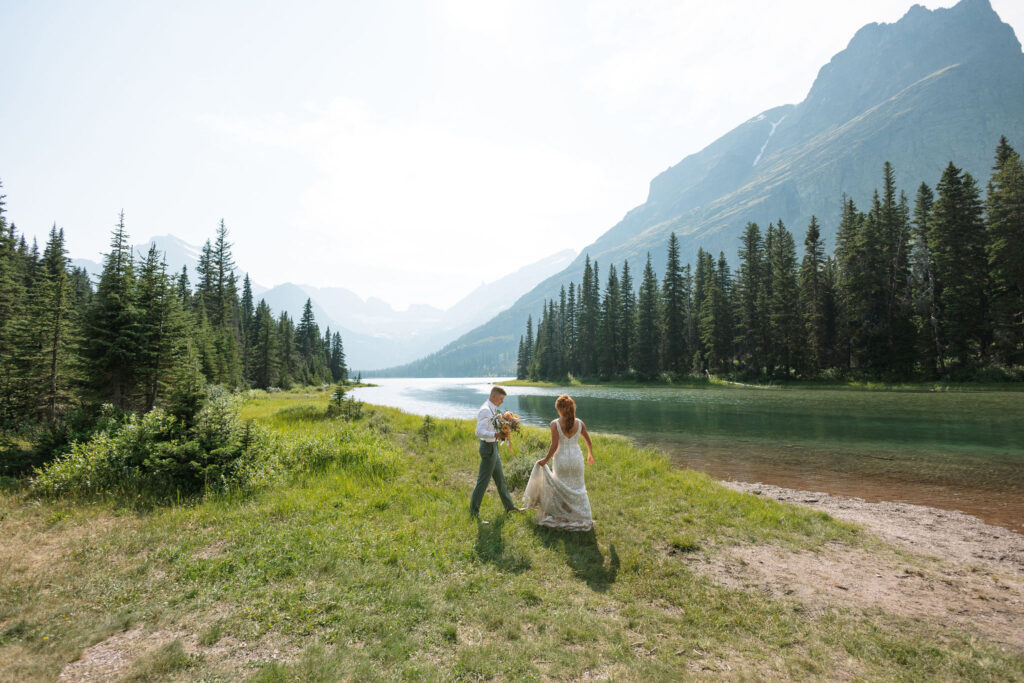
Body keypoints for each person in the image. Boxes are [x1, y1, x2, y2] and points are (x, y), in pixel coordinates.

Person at [522, 394, 595, 531]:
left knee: (560, 487)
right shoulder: (579, 423)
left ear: (560, 409)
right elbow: (588, 441)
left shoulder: (555, 424)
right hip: (576, 459)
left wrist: (545, 460)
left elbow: (554, 445)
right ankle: (581, 516)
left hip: (561, 460)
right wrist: (590, 454)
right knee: (578, 487)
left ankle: (563, 515)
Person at [470, 386, 519, 523]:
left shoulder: (493, 409)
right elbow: (478, 432)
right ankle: (473, 513)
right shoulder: (485, 410)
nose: (502, 402)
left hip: (494, 447)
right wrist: (496, 434)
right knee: (483, 482)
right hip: (488, 448)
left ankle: (510, 507)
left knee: (500, 479)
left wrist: (507, 426)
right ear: (493, 397)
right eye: (501, 399)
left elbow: (494, 425)